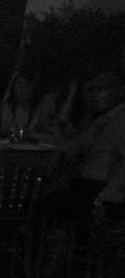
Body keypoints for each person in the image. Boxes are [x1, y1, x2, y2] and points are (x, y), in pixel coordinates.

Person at [39, 71, 125, 222]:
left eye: (102, 89)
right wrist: (59, 152)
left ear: (119, 91)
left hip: (99, 190)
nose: (95, 95)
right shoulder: (106, 118)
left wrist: (103, 199)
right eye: (92, 90)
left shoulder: (121, 120)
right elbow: (81, 142)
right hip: (87, 185)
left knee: (41, 205)